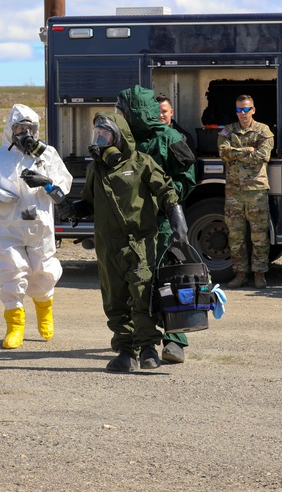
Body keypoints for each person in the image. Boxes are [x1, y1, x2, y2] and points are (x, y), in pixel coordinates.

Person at [69, 112, 187, 373]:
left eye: (105, 135)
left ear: (119, 138)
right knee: (115, 299)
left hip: (140, 242)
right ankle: (125, 351)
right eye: (96, 135)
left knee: (142, 294)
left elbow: (167, 192)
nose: (99, 141)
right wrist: (74, 208)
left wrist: (179, 222)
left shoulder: (142, 162)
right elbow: (89, 202)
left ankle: (147, 349)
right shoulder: (94, 169)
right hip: (107, 246)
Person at [0, 103, 74, 349]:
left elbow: (64, 185)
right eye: (19, 128)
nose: (24, 133)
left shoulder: (47, 155)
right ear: (10, 129)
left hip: (39, 226)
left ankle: (44, 314)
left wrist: (46, 181)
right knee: (12, 272)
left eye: (29, 128)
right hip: (7, 227)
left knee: (43, 271)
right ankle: (15, 326)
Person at [118, 85, 196, 365]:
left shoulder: (170, 138)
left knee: (170, 278)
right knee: (136, 283)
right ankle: (141, 339)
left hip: (162, 223)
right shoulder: (122, 139)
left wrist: (160, 198)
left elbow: (187, 177)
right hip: (131, 225)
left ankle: (175, 341)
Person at [218, 95, 275, 289]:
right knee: (235, 235)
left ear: (253, 110)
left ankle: (260, 274)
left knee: (259, 235)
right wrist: (248, 150)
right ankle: (240, 274)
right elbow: (223, 153)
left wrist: (237, 153)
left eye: (246, 109)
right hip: (234, 191)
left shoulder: (263, 130)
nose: (243, 113)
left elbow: (263, 156)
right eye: (239, 110)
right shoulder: (228, 130)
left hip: (256, 191)